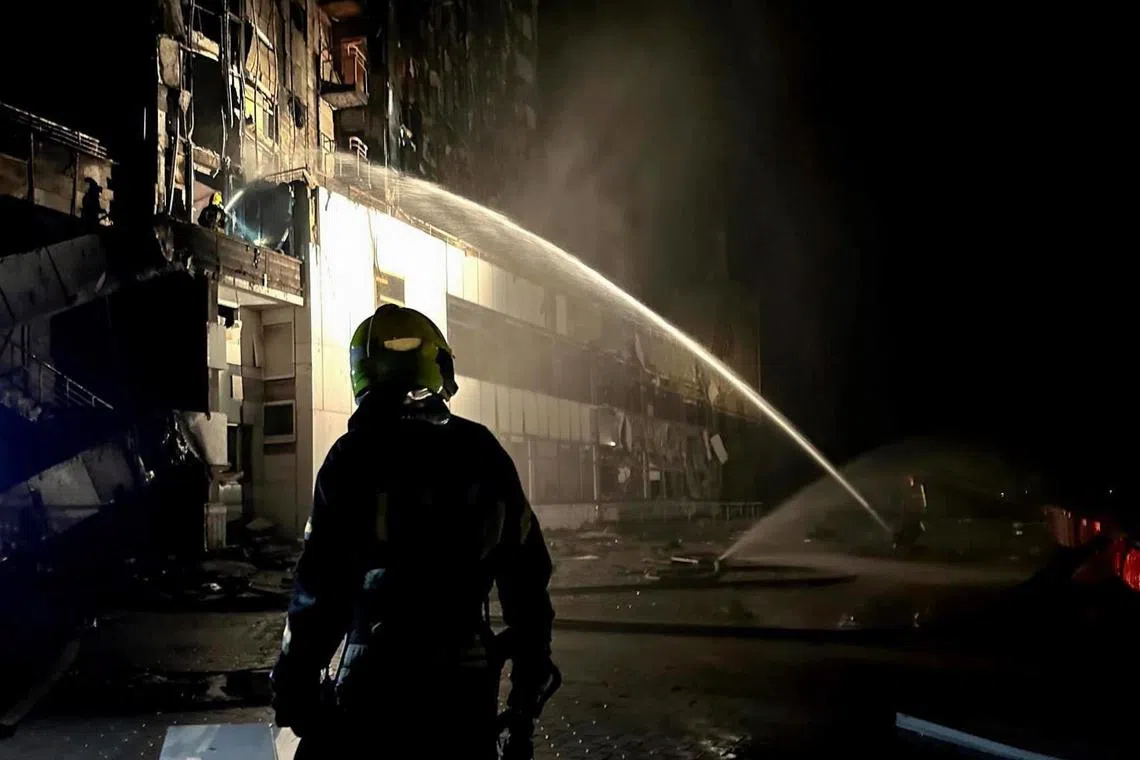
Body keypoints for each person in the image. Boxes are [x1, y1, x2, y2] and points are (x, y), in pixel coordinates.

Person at [271, 304, 556, 759]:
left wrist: (294, 683)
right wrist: (526, 689)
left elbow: (318, 590)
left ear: (361, 373)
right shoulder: (482, 452)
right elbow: (527, 582)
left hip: (371, 685)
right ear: (437, 366)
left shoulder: (349, 459)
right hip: (463, 692)